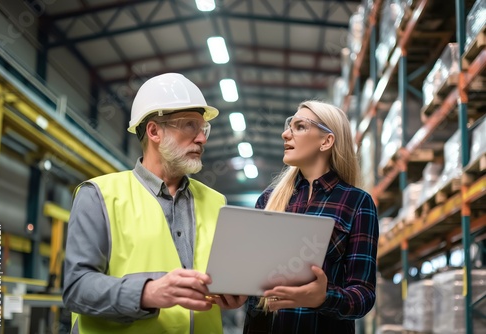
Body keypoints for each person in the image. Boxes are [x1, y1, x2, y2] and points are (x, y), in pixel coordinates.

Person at [63, 73, 247, 333]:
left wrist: (232, 292)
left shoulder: (217, 202)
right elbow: (77, 289)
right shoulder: (99, 195)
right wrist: (148, 292)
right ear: (154, 131)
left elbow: (223, 280)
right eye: (189, 126)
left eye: (203, 128)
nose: (202, 139)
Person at [243, 100, 379, 334]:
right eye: (289, 126)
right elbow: (252, 287)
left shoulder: (357, 203)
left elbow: (363, 295)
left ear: (326, 141)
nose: (285, 134)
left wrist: (323, 297)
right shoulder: (268, 200)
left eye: (300, 126)